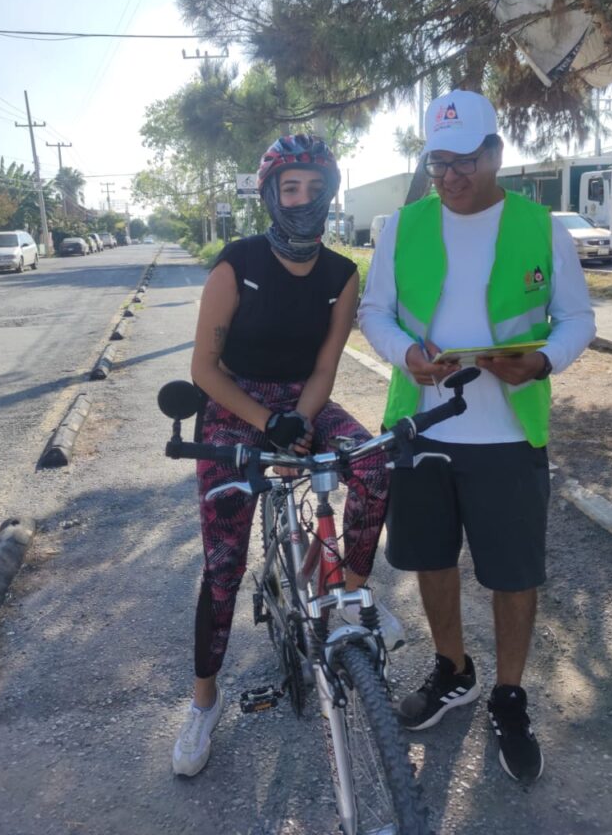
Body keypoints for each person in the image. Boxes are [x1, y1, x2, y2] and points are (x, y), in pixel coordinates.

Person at [358, 90, 596, 783]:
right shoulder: (400, 227)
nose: (450, 175)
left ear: (496, 154)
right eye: (438, 161)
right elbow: (376, 313)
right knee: (432, 561)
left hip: (508, 434)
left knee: (513, 575)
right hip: (424, 424)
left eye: (465, 160)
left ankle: (510, 696)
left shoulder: (540, 226)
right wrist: (405, 354)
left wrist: (543, 361)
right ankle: (454, 670)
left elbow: (577, 317)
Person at [172, 134, 404, 777]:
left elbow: (327, 364)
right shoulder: (236, 262)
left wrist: (298, 420)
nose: (303, 199)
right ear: (272, 194)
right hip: (234, 406)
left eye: (314, 187)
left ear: (329, 192)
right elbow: (203, 368)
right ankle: (203, 702)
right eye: (289, 188)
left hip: (303, 402)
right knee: (221, 567)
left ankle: (352, 602)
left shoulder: (340, 274)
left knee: (374, 463)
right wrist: (266, 423)